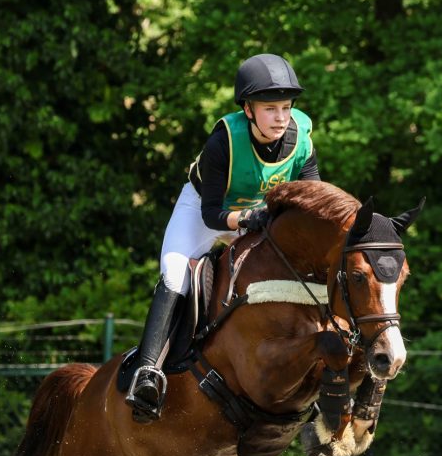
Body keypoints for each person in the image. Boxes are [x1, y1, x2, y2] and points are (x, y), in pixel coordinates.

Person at [125, 53, 321, 423]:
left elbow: (312, 201)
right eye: (270, 109)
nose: (281, 117)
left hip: (261, 217)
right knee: (175, 272)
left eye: (286, 107)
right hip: (207, 211)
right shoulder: (224, 142)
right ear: (248, 109)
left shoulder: (302, 138)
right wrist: (250, 218)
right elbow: (212, 213)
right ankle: (148, 372)